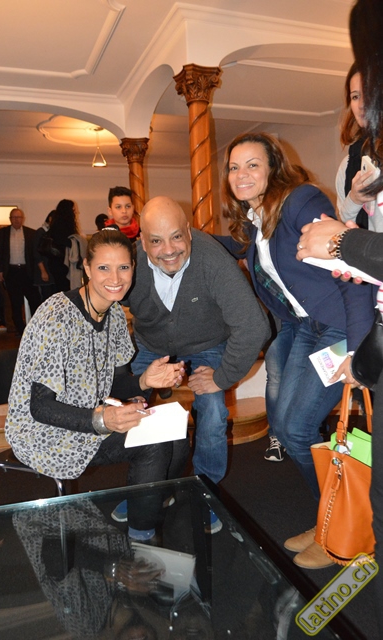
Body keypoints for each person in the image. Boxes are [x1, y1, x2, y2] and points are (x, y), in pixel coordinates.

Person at [218, 132, 375, 568]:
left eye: (252, 164)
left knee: (298, 428)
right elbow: (250, 254)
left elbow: (349, 267)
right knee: (288, 429)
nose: (241, 174)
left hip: (339, 327)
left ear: (273, 167)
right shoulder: (257, 220)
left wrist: (358, 349)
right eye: (234, 167)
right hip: (307, 327)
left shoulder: (300, 200)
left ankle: (340, 526)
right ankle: (328, 515)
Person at [5, 229, 189, 541]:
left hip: (91, 414)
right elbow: (39, 407)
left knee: (178, 435)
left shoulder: (114, 314)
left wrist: (145, 381)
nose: (115, 278)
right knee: (154, 445)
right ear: (87, 268)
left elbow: (114, 384)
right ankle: (141, 542)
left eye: (123, 267)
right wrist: (103, 419)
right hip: (45, 431)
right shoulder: (56, 315)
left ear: (133, 268)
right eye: (104, 267)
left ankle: (142, 502)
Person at [124, 196, 271, 497]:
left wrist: (222, 378)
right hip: (150, 344)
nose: (169, 250)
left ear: (189, 232)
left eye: (177, 236)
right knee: (126, 405)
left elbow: (254, 326)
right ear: (142, 241)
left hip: (207, 343)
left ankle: (205, 491)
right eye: (156, 241)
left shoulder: (212, 260)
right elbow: (101, 306)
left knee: (213, 409)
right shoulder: (129, 263)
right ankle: (144, 490)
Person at [336, 62, 380, 230]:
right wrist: (354, 199)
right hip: (363, 246)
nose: (361, 104)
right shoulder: (348, 164)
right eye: (355, 96)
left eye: (369, 93)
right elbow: (341, 229)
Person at [0, 208, 41, 336]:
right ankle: (21, 331)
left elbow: (35, 255)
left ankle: (36, 328)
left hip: (27, 272)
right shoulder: (3, 233)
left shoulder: (31, 233)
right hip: (11, 272)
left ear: (23, 219)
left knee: (35, 301)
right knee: (15, 303)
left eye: (19, 217)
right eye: (14, 217)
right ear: (10, 219)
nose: (16, 220)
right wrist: (0, 271)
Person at [43, 199, 80, 292]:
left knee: (61, 288)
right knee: (65, 288)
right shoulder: (63, 224)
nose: (75, 212)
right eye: (73, 209)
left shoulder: (56, 223)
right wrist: (76, 241)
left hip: (57, 261)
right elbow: (64, 241)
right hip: (61, 262)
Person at [34, 211, 56, 302]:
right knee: (46, 298)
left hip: (51, 271)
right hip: (44, 271)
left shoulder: (51, 232)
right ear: (50, 219)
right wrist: (43, 271)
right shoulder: (41, 232)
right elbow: (36, 253)